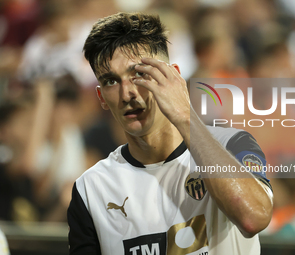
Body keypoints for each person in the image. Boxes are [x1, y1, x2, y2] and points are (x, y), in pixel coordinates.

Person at [67, 12, 273, 255]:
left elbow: (253, 218)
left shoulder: (232, 144)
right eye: (111, 81)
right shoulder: (91, 189)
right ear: (101, 97)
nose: (127, 94)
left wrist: (185, 116)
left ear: (173, 77)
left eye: (140, 73)